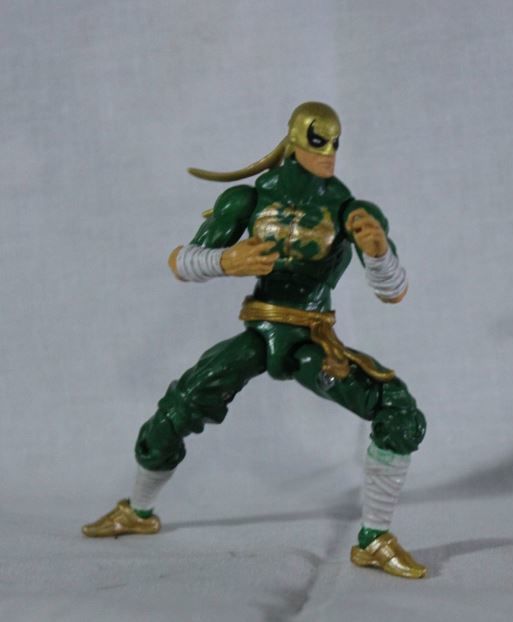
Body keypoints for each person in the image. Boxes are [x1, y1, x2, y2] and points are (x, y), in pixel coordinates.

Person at [82, 102, 427, 579]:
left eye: (335, 142)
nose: (328, 151)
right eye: (318, 140)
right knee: (177, 408)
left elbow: (393, 290)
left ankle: (374, 538)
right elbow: (181, 262)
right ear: (295, 139)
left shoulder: (350, 210)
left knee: (398, 410)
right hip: (261, 334)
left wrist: (379, 252)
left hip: (311, 344)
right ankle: (138, 510)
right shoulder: (249, 198)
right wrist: (226, 261)